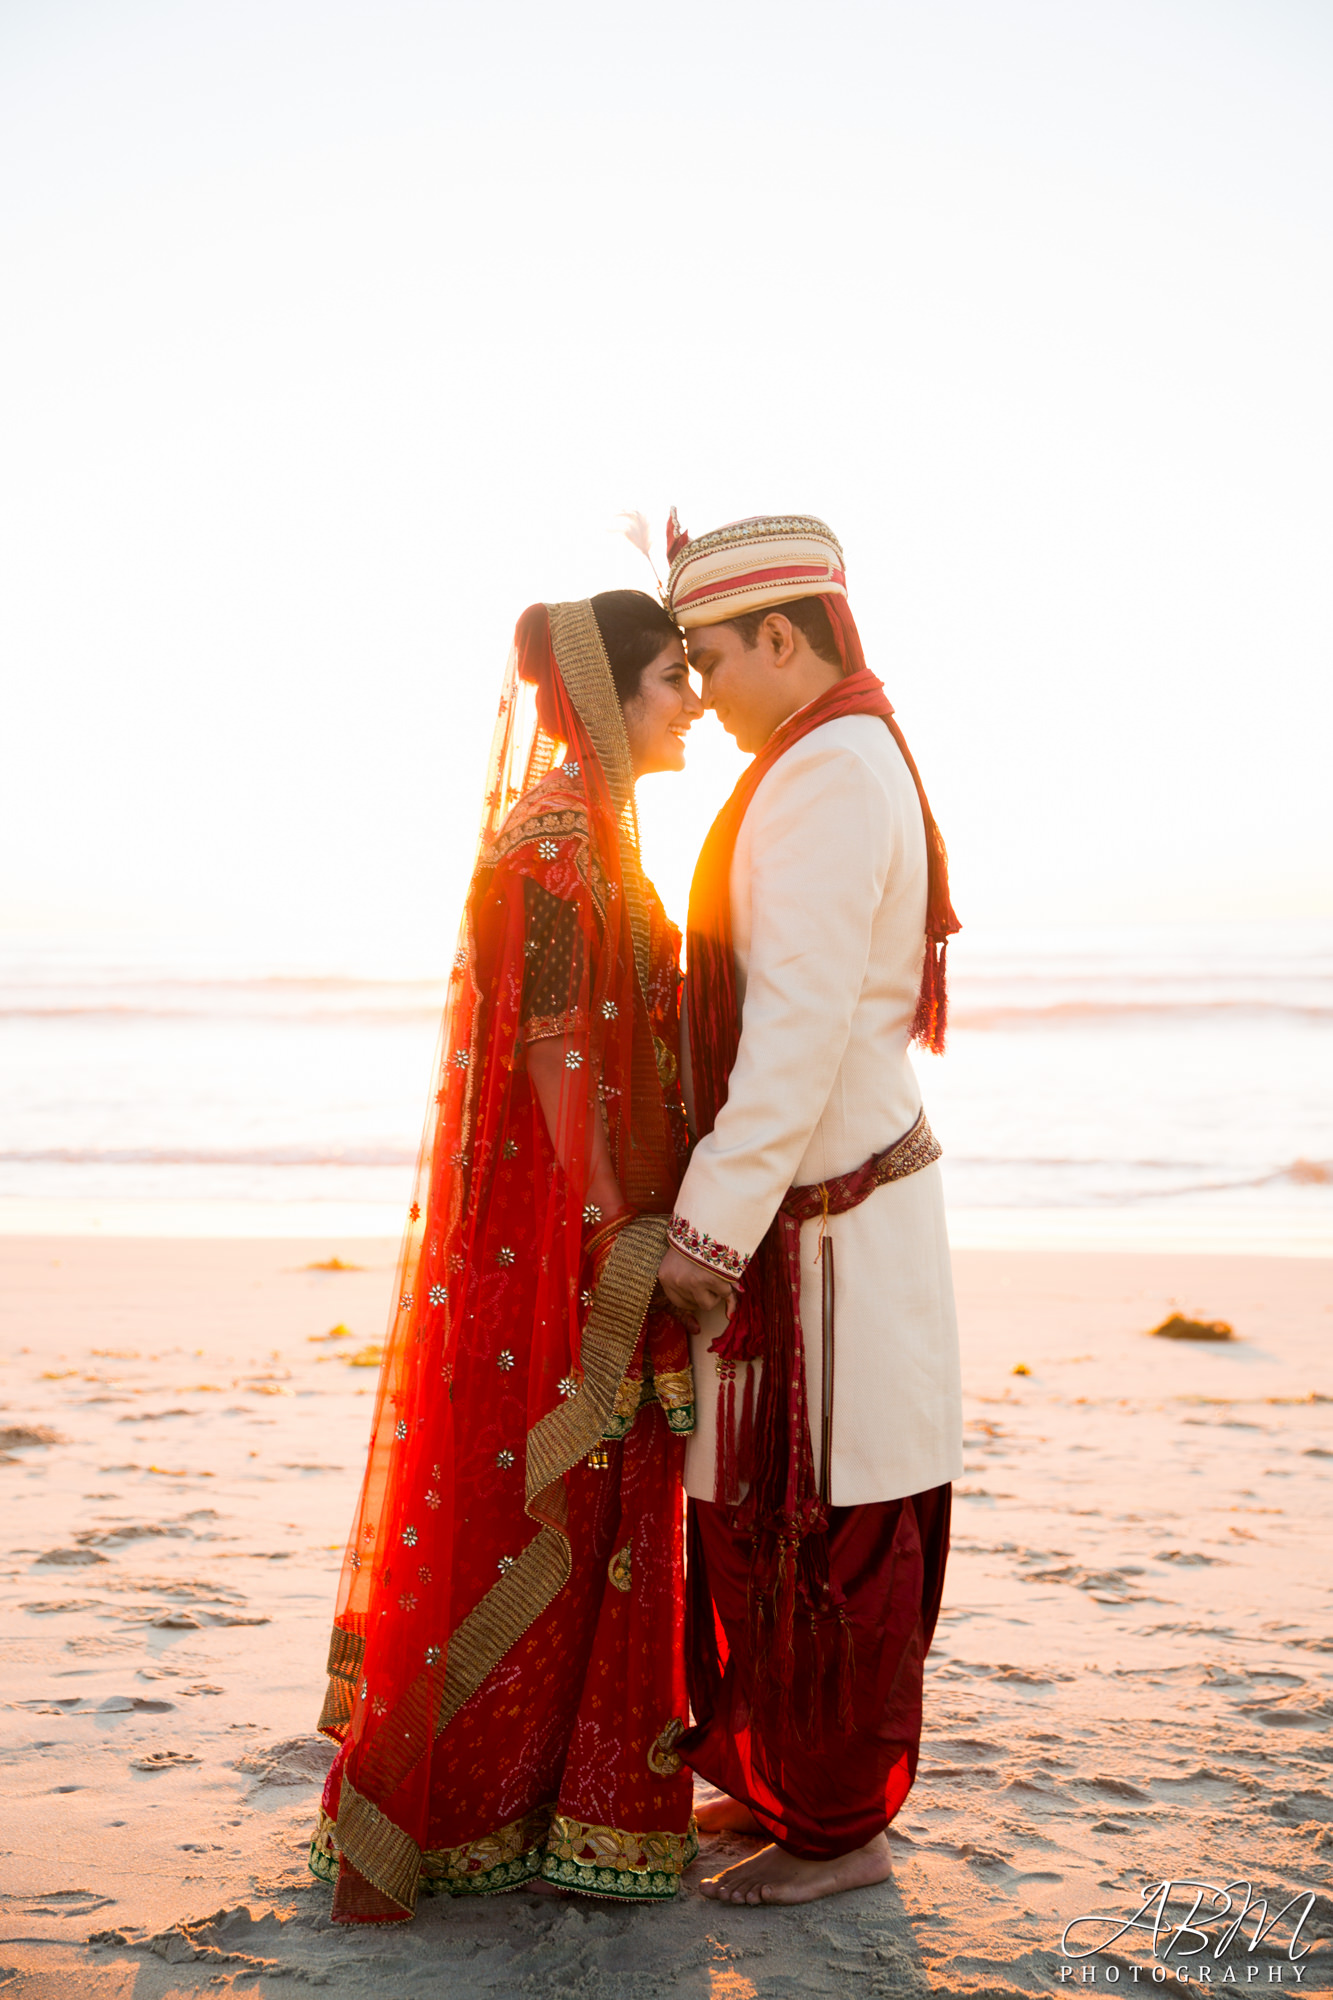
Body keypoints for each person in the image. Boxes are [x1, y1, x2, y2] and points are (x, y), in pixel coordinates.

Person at [311, 590, 705, 1922]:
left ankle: (554, 1802)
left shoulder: (592, 836)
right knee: (533, 1504)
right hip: (553, 1236)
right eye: (670, 681)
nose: (692, 702)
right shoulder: (552, 848)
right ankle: (469, 1802)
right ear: (606, 699)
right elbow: (552, 1042)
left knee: (591, 1500)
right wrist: (609, 1225)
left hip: (587, 1218)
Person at [655, 513, 963, 1907]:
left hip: (824, 1223)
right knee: (776, 1514)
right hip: (814, 1209)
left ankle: (838, 1831)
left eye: (709, 656)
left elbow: (790, 1033)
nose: (698, 687)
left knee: (828, 1527)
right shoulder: (824, 752)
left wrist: (698, 1231)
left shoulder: (829, 774)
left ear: (784, 637)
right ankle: (793, 1791)